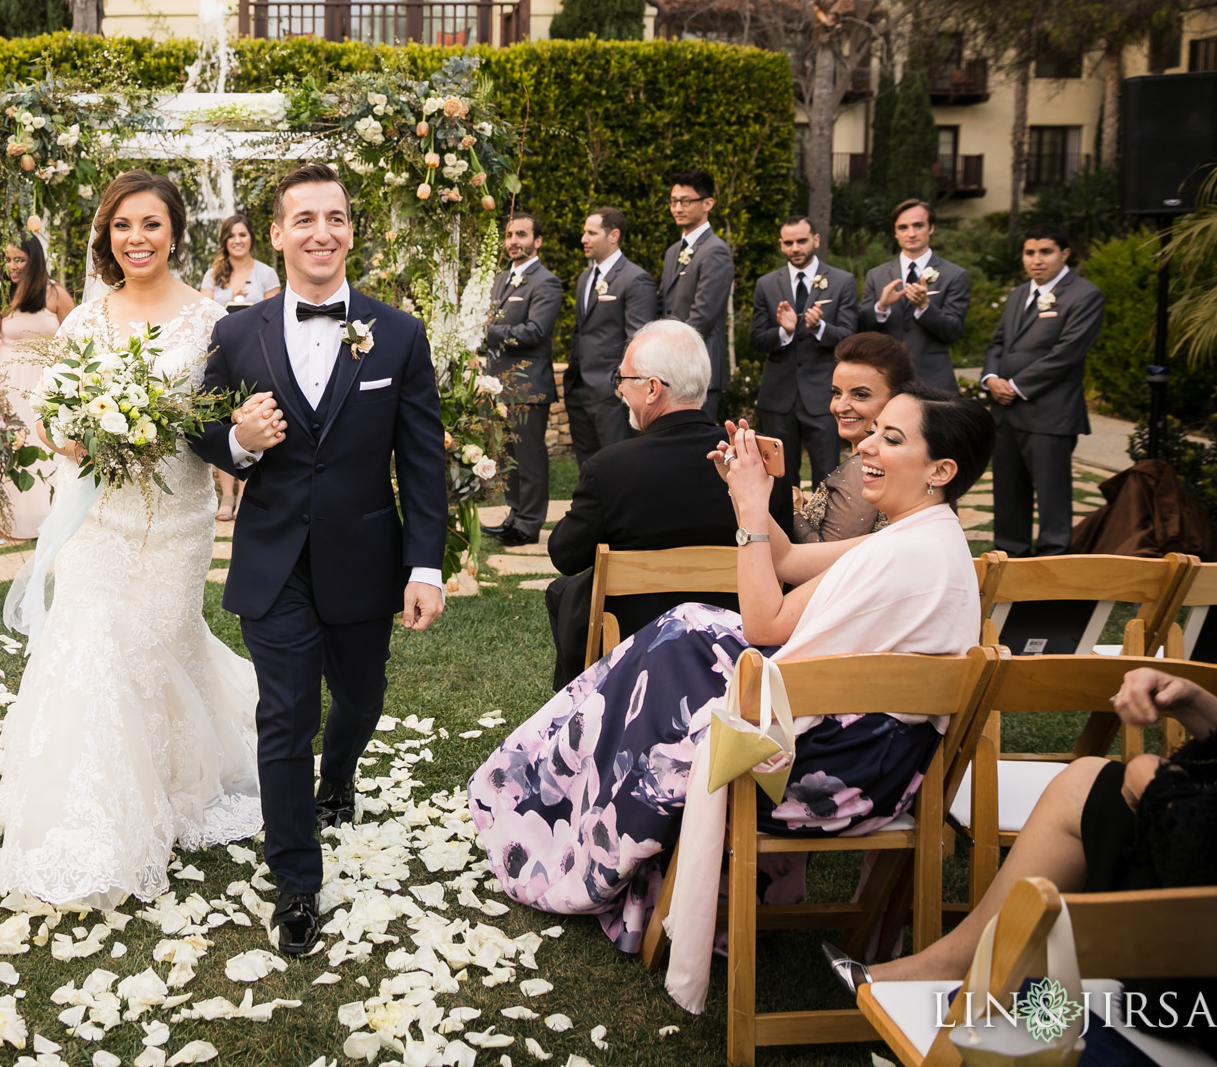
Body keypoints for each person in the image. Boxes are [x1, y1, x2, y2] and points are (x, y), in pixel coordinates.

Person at [471, 382, 995, 1013]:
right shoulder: (920, 535)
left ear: (941, 470)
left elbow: (766, 625)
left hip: (831, 778)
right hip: (864, 754)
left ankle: (581, 836)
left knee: (667, 661)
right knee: (681, 632)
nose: (865, 447)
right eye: (874, 431)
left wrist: (748, 513)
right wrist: (751, 492)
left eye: (891, 437)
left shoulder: (906, 551)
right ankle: (561, 800)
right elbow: (796, 559)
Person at [190, 162, 451, 956]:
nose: (321, 232)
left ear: (350, 230)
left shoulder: (398, 333)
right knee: (285, 714)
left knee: (360, 698)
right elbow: (202, 431)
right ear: (276, 234)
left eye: (334, 217)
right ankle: (297, 882)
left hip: (367, 559)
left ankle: (340, 771)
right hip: (274, 563)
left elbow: (423, 460)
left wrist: (426, 565)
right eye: (303, 219)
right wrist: (240, 440)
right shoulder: (236, 333)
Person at [0, 172, 261, 909]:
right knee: (93, 645)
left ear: (175, 232)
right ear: (106, 236)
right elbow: (48, 415)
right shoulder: (85, 323)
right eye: (123, 226)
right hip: (97, 523)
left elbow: (222, 424)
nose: (136, 238)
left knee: (158, 646)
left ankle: (173, 780)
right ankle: (91, 811)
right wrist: (70, 434)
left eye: (152, 224)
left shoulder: (214, 321)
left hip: (176, 523)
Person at [827, 665, 1217, 1062]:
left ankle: (964, 969)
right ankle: (956, 962)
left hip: (1213, 973)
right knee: (1086, 782)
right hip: (1215, 865)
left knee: (1102, 788)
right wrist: (1195, 703)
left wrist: (1155, 788)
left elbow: (1204, 863)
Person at [542, 320, 793, 691]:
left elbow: (564, 554)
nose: (620, 390)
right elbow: (781, 558)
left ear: (652, 389)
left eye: (623, 379)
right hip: (738, 639)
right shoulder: (758, 464)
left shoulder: (609, 469)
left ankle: (579, 702)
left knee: (564, 590)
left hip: (635, 646)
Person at [981, 222, 1106, 558]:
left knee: (1052, 499)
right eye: (1030, 252)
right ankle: (1010, 559)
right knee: (1008, 495)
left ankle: (1054, 568)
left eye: (1045, 252)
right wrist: (991, 378)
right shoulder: (1019, 294)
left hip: (1050, 413)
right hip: (1005, 414)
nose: (1036, 260)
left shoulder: (1085, 295)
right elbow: (998, 343)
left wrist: (1018, 386)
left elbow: (1068, 352)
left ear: (1064, 254)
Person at [0, 236, 74, 544]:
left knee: (46, 445)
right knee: (11, 444)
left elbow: (75, 339)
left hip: (46, 381)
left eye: (19, 260)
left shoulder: (55, 294)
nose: (12, 267)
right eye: (8, 260)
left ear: (34, 261)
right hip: (9, 381)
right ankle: (6, 518)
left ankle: (48, 518)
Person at [750, 214, 860, 485]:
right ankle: (787, 529)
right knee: (780, 481)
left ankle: (827, 529)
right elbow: (756, 339)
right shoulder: (766, 284)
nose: (795, 248)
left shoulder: (842, 281)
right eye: (788, 243)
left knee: (829, 479)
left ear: (816, 240)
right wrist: (784, 331)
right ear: (781, 244)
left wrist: (820, 327)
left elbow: (850, 338)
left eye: (801, 241)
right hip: (778, 398)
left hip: (823, 397)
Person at [479, 212, 565, 548]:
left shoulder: (547, 282)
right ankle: (514, 515)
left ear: (537, 241)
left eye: (522, 235)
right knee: (508, 457)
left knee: (529, 458)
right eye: (510, 235)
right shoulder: (502, 279)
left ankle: (530, 524)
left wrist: (488, 332)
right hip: (499, 385)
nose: (514, 241)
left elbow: (535, 331)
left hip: (529, 386)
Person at [792, 331, 916, 543]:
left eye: (860, 395)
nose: (840, 407)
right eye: (836, 392)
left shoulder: (866, 468)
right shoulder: (901, 461)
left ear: (897, 399)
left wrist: (791, 510)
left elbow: (827, 561)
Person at [200, 213, 282, 523]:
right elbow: (204, 316)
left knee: (253, 419)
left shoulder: (266, 273)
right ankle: (228, 496)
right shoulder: (213, 275)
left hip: (256, 357)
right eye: (231, 235)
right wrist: (230, 302)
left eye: (242, 235)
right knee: (223, 424)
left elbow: (276, 316)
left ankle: (248, 494)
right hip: (223, 355)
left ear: (251, 240)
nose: (237, 240)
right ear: (224, 240)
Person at [560, 206, 658, 462]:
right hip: (579, 389)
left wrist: (617, 384)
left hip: (611, 395)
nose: (583, 239)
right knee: (588, 466)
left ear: (613, 235)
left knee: (619, 464)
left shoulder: (635, 279)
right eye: (584, 232)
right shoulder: (584, 278)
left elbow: (638, 338)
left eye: (591, 233)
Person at [862, 198, 971, 391]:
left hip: (934, 382)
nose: (911, 233)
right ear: (895, 232)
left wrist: (925, 307)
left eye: (918, 226)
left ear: (931, 228)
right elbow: (860, 326)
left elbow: (953, 331)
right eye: (903, 227)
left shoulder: (954, 275)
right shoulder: (876, 275)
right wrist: (881, 307)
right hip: (886, 380)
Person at [659, 170, 734, 421]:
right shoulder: (672, 252)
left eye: (686, 201)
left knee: (698, 451)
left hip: (700, 367)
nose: (678, 208)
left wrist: (669, 352)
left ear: (707, 204)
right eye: (673, 201)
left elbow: (703, 315)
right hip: (671, 367)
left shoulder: (716, 251)